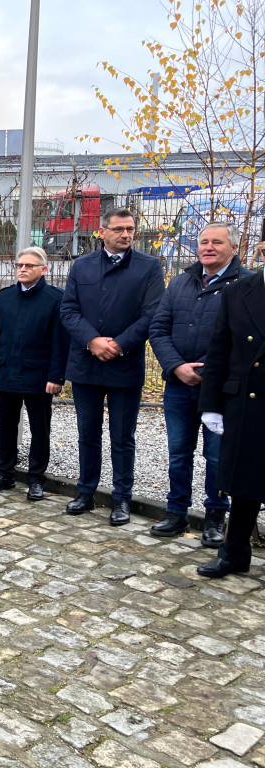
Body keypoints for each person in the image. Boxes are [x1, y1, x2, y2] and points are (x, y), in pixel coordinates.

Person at [59, 207, 165, 525]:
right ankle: (86, 492)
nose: (126, 234)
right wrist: (92, 341)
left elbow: (153, 314)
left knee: (122, 437)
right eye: (118, 229)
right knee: (87, 433)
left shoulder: (148, 267)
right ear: (102, 231)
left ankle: (121, 499)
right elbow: (68, 310)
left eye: (130, 229)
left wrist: (118, 344)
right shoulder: (83, 266)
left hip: (125, 365)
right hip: (86, 364)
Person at [149, 221, 252, 543]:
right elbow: (159, 329)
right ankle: (176, 513)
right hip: (179, 386)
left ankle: (214, 517)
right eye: (204, 241)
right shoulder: (180, 282)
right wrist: (177, 366)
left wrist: (208, 370)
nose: (208, 247)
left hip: (221, 391)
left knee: (218, 456)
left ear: (235, 247)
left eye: (217, 242)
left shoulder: (247, 285)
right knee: (179, 452)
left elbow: (246, 340)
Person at [0, 246, 67, 500]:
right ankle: (4, 475)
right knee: (5, 427)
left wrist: (56, 376)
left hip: (38, 376)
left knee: (40, 430)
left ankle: (36, 479)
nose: (23, 269)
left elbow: (60, 343)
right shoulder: (5, 297)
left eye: (29, 266)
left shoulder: (55, 299)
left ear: (43, 270)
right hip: (6, 372)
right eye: (20, 265)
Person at [196, 268, 265, 578]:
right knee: (245, 481)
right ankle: (234, 553)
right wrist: (210, 405)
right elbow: (219, 350)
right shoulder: (239, 291)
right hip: (247, 401)